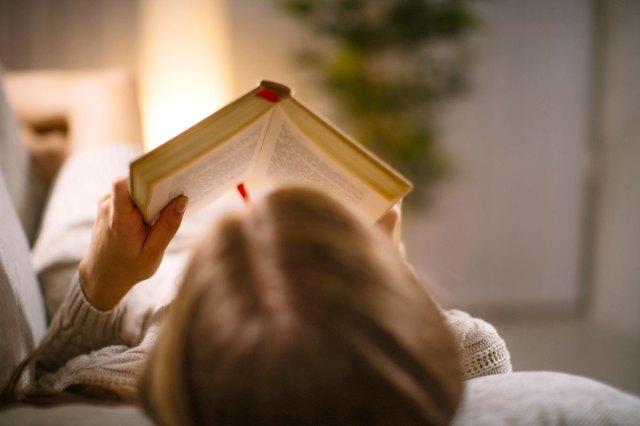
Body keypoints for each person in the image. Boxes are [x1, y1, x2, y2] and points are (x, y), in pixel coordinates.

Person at [2, 68, 511, 424]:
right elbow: (479, 355)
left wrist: (103, 275)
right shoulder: (458, 356)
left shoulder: (139, 372)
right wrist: (389, 275)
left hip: (117, 268)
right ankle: (51, 158)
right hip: (165, 257)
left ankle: (47, 157)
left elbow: (42, 382)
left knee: (106, 90)